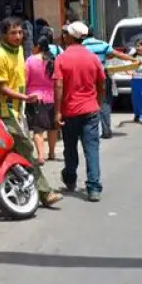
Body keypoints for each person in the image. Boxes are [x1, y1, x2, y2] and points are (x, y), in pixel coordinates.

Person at [0, 18, 62, 207]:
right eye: (13, 33)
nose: (18, 36)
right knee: (27, 149)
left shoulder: (20, 51)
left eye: (20, 33)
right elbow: (3, 88)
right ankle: (45, 192)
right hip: (5, 111)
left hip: (19, 110)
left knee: (11, 153)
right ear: (4, 34)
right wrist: (26, 98)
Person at [54, 21, 106, 201]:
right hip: (91, 110)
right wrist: (97, 103)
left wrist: (57, 111)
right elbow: (102, 84)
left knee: (70, 148)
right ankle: (93, 187)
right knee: (91, 148)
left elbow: (59, 86)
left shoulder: (61, 59)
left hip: (70, 111)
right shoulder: (93, 58)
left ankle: (70, 178)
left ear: (69, 36)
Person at [78, 23, 136, 139]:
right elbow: (117, 54)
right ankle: (106, 130)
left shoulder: (80, 47)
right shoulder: (102, 45)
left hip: (85, 78)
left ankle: (87, 131)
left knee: (86, 102)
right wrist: (133, 59)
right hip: (102, 76)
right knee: (104, 103)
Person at [25, 35, 58, 164]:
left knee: (38, 129)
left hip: (34, 98)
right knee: (52, 128)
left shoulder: (30, 60)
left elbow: (26, 79)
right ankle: (52, 152)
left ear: (37, 47)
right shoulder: (53, 60)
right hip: (51, 97)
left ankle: (40, 156)